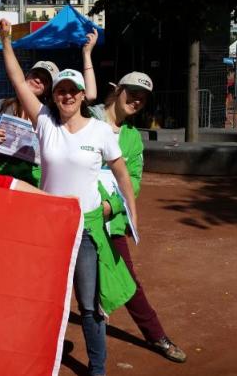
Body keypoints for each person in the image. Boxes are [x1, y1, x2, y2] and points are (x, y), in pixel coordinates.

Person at [0, 19, 138, 376]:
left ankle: (98, 367)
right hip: (48, 228)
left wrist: (129, 213)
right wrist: (6, 42)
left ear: (80, 95)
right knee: (43, 299)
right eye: (61, 90)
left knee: (90, 303)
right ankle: (39, 358)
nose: (67, 95)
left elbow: (121, 172)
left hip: (87, 229)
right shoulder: (44, 121)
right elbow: (17, 79)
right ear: (55, 95)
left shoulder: (100, 130)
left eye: (73, 91)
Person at [89, 72, 187, 363]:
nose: (136, 100)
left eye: (142, 97)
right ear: (117, 91)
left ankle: (157, 336)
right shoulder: (87, 122)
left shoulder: (132, 139)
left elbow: (134, 182)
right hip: (77, 216)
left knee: (126, 279)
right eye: (131, 92)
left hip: (111, 221)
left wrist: (112, 207)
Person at [0, 28, 99, 185]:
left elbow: (90, 95)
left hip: (36, 183)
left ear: (50, 91)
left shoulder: (50, 115)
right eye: (35, 74)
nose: (38, 80)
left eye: (44, 80)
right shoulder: (1, 106)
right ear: (27, 75)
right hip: (3, 179)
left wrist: (87, 54)